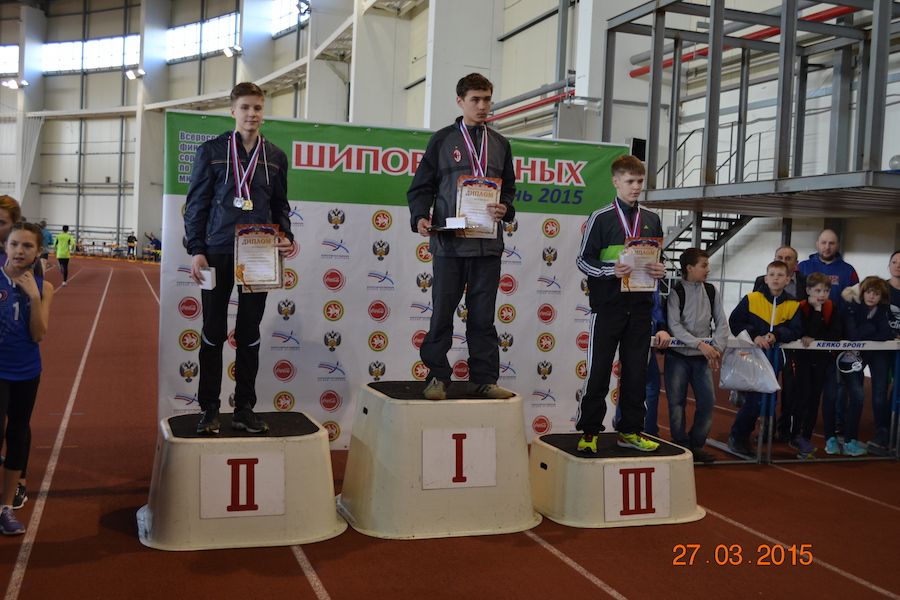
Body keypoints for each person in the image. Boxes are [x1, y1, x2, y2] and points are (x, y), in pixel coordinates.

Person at [184, 81, 294, 435]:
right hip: (216, 249)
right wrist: (196, 250)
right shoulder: (212, 151)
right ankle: (209, 409)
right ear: (233, 111)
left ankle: (244, 408)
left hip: (259, 252)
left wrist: (286, 235)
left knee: (249, 332)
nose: (252, 114)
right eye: (245, 107)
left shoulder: (275, 156)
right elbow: (196, 204)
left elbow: (280, 205)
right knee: (213, 331)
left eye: (257, 108)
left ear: (263, 111)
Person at [407, 72, 516, 402]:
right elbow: (421, 187)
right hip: (450, 244)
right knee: (442, 314)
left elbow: (509, 190)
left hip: (487, 246)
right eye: (475, 100)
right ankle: (437, 377)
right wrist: (420, 216)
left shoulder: (501, 144)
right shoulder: (442, 141)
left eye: (487, 99)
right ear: (460, 101)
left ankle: (484, 379)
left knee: (483, 317)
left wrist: (505, 209)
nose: (482, 106)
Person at [574, 155, 665, 453]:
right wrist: (608, 270)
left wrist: (660, 269)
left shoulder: (652, 219)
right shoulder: (600, 217)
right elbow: (583, 260)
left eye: (639, 181)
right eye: (630, 181)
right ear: (616, 182)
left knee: (637, 374)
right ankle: (589, 432)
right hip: (607, 308)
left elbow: (658, 259)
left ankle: (630, 431)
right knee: (599, 372)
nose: (636, 187)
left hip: (640, 309)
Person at [0, 222, 55, 534]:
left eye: (27, 246)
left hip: (27, 371)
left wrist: (34, 297)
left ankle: (5, 507)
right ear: (5, 247)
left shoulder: (44, 288)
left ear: (38, 252)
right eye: (14, 244)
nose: (19, 251)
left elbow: (38, 334)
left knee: (18, 434)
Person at [727, 260, 802, 456]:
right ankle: (738, 437)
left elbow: (797, 330)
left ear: (788, 280)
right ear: (766, 278)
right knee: (756, 400)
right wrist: (755, 336)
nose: (776, 278)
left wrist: (777, 334)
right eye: (772, 275)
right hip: (751, 356)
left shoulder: (793, 304)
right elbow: (735, 321)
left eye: (780, 275)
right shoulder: (751, 299)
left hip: (775, 358)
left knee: (767, 400)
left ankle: (751, 436)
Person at [665, 248, 729, 464]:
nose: (708, 269)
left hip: (701, 358)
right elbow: (674, 327)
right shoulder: (676, 293)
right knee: (676, 403)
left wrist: (716, 348)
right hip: (677, 357)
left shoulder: (711, 291)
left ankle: (697, 444)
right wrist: (700, 345)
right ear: (690, 268)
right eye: (704, 265)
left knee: (708, 402)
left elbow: (722, 322)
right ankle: (680, 445)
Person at [754, 246, 806, 442]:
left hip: (793, 346)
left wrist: (783, 333)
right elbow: (756, 311)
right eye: (780, 257)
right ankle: (766, 431)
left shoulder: (804, 282)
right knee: (766, 388)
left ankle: (786, 430)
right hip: (768, 346)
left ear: (796, 263)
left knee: (792, 390)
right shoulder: (761, 281)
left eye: (788, 258)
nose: (784, 260)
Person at [840, 276, 894, 456]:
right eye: (869, 292)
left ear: (882, 296)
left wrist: (869, 332)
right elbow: (853, 335)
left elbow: (886, 334)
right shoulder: (852, 307)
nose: (872, 296)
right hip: (855, 354)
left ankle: (881, 435)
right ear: (863, 293)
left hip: (878, 354)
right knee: (856, 394)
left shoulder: (884, 309)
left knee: (879, 394)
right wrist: (872, 329)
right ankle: (848, 436)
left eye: (876, 294)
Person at [793, 272, 842, 459]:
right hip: (803, 360)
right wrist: (817, 311)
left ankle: (806, 437)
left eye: (826, 291)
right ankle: (795, 434)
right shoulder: (801, 307)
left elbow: (836, 334)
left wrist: (816, 337)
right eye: (818, 290)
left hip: (821, 360)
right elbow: (803, 332)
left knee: (814, 399)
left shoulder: (831, 308)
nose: (822, 295)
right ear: (808, 290)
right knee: (802, 397)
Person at [797, 229, 858, 303]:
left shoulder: (848, 270)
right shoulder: (803, 267)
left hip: (839, 310)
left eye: (831, 243)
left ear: (838, 245)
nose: (827, 247)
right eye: (823, 243)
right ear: (817, 244)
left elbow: (856, 298)